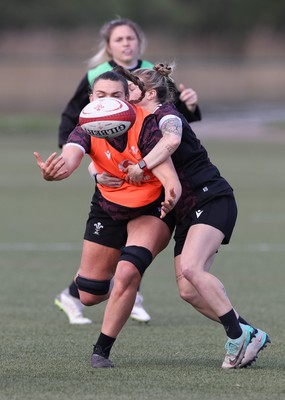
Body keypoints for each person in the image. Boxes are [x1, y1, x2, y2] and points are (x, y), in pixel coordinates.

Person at [97, 63, 270, 369]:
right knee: (188, 290)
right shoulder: (140, 123)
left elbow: (172, 140)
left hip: (211, 198)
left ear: (149, 93)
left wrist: (142, 166)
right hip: (185, 210)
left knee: (191, 268)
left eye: (132, 89)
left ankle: (236, 334)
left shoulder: (167, 115)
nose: (127, 94)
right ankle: (248, 331)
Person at [56, 17, 201, 325]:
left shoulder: (150, 70)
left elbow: (170, 116)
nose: (126, 43)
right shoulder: (97, 75)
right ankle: (93, 288)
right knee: (95, 282)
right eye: (119, 39)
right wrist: (81, 160)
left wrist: (191, 105)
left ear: (139, 42)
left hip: (145, 174)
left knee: (132, 255)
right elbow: (75, 120)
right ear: (108, 46)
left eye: (130, 38)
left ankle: (127, 287)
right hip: (108, 166)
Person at [34, 70, 182, 368]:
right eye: (101, 96)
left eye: (116, 96)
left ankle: (101, 350)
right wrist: (56, 172)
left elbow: (171, 179)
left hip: (151, 208)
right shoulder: (85, 127)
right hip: (108, 207)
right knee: (89, 295)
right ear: (90, 100)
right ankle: (111, 276)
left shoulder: (146, 125)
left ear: (129, 99)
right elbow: (71, 158)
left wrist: (171, 193)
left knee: (128, 272)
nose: (107, 103)